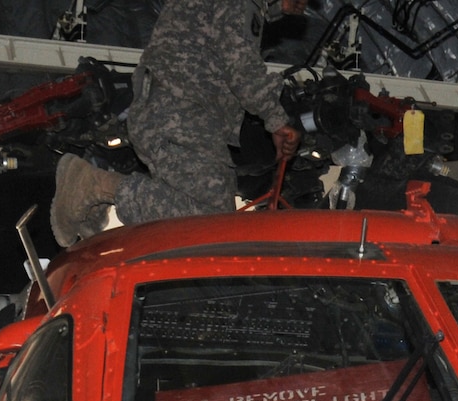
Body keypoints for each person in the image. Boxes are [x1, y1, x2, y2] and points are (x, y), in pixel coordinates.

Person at [52, 0, 308, 247]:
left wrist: (274, 7)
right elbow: (241, 66)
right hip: (179, 111)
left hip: (180, 112)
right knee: (211, 219)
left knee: (213, 216)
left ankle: (98, 198)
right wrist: (276, 118)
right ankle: (94, 185)